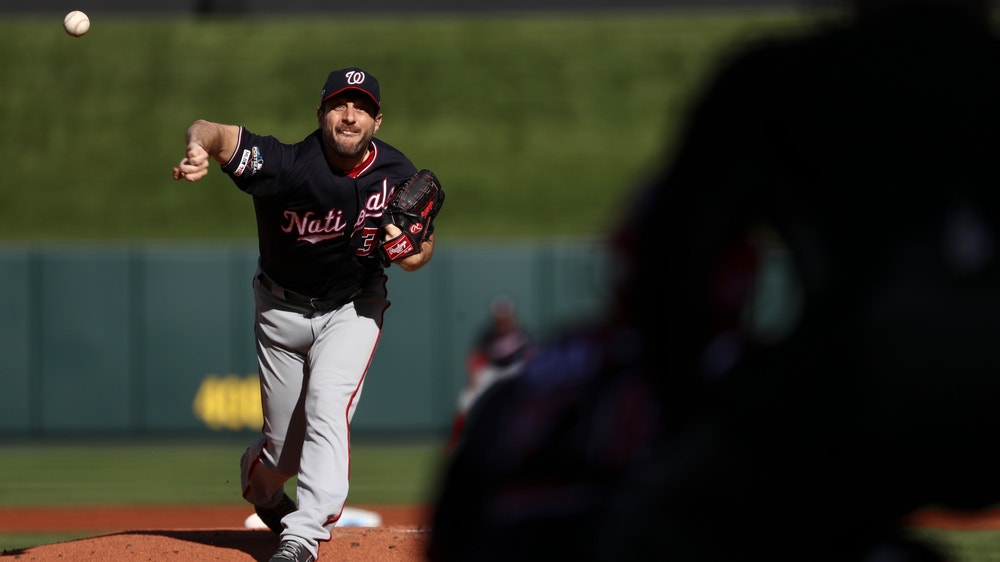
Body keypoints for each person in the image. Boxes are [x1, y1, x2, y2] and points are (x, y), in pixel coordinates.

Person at [427, 0, 1000, 560]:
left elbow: (674, 269)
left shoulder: (792, 79)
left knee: (660, 522)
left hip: (859, 387)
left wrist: (706, 417)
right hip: (896, 395)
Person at [172, 67, 440, 562]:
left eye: (361, 107)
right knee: (282, 452)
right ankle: (264, 490)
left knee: (328, 399)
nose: (350, 114)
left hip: (353, 306)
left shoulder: (398, 173)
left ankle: (303, 534)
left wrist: (408, 252)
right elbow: (210, 129)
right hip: (280, 310)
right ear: (320, 114)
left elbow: (420, 247)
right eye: (340, 104)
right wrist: (196, 147)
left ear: (377, 121)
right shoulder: (285, 164)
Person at [446, 295, 535, 451]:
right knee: (466, 398)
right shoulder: (488, 334)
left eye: (505, 315)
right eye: (499, 315)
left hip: (514, 370)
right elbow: (476, 357)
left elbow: (532, 355)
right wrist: (474, 376)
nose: (503, 319)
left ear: (511, 315)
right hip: (492, 370)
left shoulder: (522, 333)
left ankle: (528, 437)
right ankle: (455, 441)